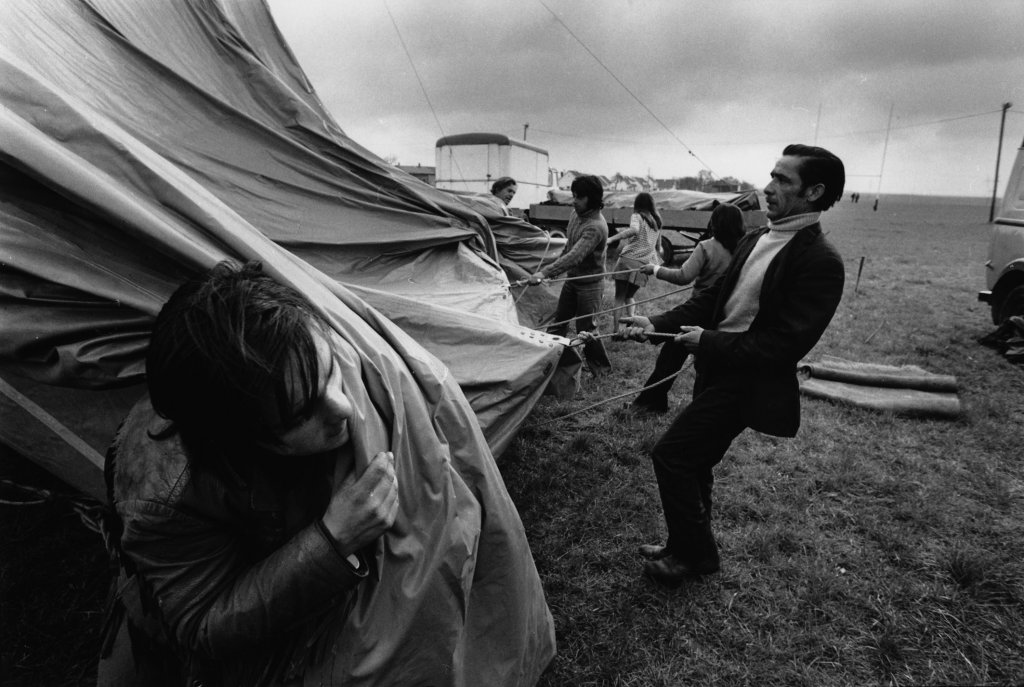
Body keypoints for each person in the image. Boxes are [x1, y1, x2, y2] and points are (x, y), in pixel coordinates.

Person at [100, 262, 555, 685]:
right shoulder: (163, 492)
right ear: (240, 439)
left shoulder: (309, 340)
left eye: (332, 373)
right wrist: (330, 541)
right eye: (301, 415)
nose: (344, 407)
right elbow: (201, 625)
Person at [618, 144, 846, 586]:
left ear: (815, 192)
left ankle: (695, 555)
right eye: (772, 176)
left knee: (673, 454)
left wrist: (710, 342)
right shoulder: (756, 238)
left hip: (748, 382)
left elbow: (783, 345)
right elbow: (712, 300)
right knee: (696, 460)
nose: (768, 188)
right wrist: (655, 322)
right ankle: (683, 546)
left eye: (784, 180)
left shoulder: (820, 261)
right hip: (716, 369)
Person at [630, 202, 746, 413]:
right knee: (707, 367)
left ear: (715, 222)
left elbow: (684, 276)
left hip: (696, 312)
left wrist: (655, 269)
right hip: (725, 315)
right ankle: (693, 408)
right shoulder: (743, 250)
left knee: (670, 358)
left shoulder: (707, 246)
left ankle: (650, 403)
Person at [528, 174, 611, 374]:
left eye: (579, 197)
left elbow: (575, 256)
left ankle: (601, 369)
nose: (574, 201)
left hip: (590, 285)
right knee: (560, 322)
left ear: (591, 198)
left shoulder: (596, 226)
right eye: (573, 195)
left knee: (587, 330)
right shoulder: (575, 214)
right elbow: (569, 247)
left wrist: (544, 272)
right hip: (573, 281)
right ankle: (546, 361)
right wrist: (555, 270)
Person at [606, 191, 662, 327]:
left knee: (619, 297)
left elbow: (634, 230)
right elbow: (658, 247)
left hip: (627, 260)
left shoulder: (637, 216)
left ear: (637, 204)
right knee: (629, 296)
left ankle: (616, 331)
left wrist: (612, 239)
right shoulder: (656, 223)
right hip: (644, 265)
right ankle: (631, 322)